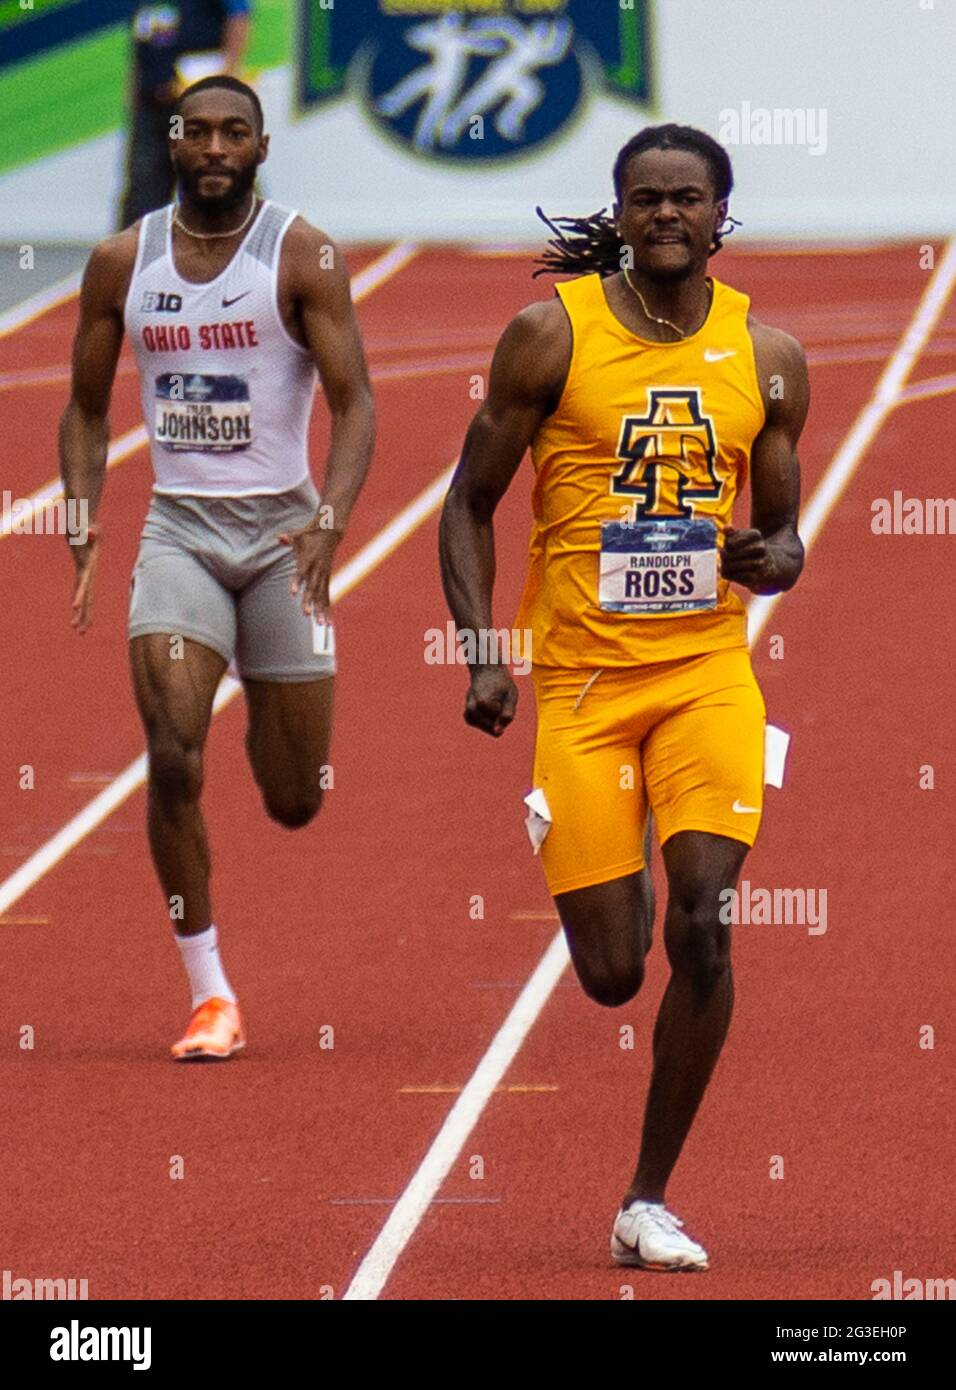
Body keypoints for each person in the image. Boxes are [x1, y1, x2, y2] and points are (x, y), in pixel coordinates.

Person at [439, 124, 809, 1270]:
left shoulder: (769, 352)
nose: (663, 215)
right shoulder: (551, 335)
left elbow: (787, 537)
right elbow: (466, 502)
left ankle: (644, 1198)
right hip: (585, 688)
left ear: (718, 215)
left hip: (705, 676)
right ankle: (600, 839)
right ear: (620, 208)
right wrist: (480, 652)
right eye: (643, 198)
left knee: (703, 921)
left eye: (684, 198)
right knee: (610, 970)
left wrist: (771, 556)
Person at [61, 76, 375, 1060]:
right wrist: (81, 514)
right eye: (195, 130)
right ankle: (208, 993)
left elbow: (356, 399)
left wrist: (329, 517)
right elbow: (81, 407)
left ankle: (261, 673)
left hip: (283, 535)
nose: (211, 146)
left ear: (260, 146)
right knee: (173, 749)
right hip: (179, 534)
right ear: (172, 141)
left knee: (294, 798)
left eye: (231, 132)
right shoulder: (123, 260)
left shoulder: (301, 254)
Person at [119, 2, 252, 229]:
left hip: (195, 107)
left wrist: (228, 74)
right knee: (144, 187)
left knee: (211, 180)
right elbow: (141, 43)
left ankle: (233, 248)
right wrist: (133, 93)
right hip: (152, 104)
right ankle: (137, 255)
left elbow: (238, 17)